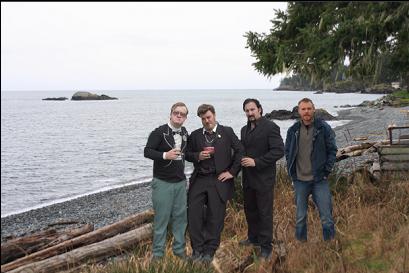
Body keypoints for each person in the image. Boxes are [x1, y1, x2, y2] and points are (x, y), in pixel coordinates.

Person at [185, 104, 244, 263]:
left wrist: (232, 172)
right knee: (194, 215)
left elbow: (240, 151)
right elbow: (187, 154)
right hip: (200, 179)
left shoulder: (227, 132)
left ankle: (210, 250)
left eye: (208, 117)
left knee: (215, 216)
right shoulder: (195, 135)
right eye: (203, 119)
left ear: (214, 115)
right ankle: (197, 250)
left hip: (219, 179)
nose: (206, 121)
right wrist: (197, 155)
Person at [285, 98, 337, 242]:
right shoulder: (293, 130)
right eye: (303, 109)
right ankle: (301, 247)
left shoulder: (323, 128)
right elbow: (288, 151)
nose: (306, 111)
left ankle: (330, 246)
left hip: (320, 179)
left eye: (309, 108)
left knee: (326, 216)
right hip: (300, 180)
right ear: (299, 111)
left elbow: (332, 150)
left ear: (314, 109)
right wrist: (292, 173)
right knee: (300, 217)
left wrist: (327, 171)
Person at [144, 102, 189, 261]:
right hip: (162, 183)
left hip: (180, 183)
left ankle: (179, 251)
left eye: (182, 114)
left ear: (185, 118)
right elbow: (147, 151)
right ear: (170, 114)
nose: (179, 115)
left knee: (180, 219)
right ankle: (157, 256)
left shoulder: (184, 133)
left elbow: (187, 154)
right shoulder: (159, 132)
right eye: (176, 112)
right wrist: (165, 155)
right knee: (161, 220)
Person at [239, 98, 284, 259]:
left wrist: (256, 162)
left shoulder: (271, 127)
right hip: (248, 178)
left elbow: (279, 151)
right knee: (250, 210)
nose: (250, 113)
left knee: (264, 212)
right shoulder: (244, 130)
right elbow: (241, 151)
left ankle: (266, 247)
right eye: (247, 110)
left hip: (264, 178)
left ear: (259, 109)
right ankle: (253, 238)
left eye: (252, 109)